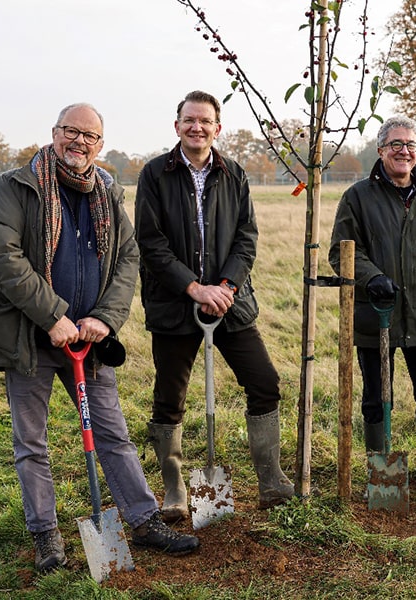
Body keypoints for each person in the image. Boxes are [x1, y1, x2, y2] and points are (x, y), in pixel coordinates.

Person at [0, 103, 200, 573]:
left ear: (100, 144)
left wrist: (106, 319)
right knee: (31, 442)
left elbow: (129, 258)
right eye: (71, 131)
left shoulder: (108, 192)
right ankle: (46, 536)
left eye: (90, 136)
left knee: (113, 434)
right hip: (29, 338)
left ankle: (143, 518)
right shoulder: (16, 186)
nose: (79, 142)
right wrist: (53, 316)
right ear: (54, 133)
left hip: (88, 343)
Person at [135, 90, 294, 519]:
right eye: (189, 120)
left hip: (230, 303)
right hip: (173, 304)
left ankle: (271, 480)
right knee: (170, 398)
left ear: (217, 128)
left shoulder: (235, 174)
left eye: (205, 121)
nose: (197, 127)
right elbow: (150, 243)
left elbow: (247, 237)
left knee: (264, 381)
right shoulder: (154, 175)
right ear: (177, 125)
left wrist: (225, 286)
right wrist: (194, 288)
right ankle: (174, 490)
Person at [328, 115, 416, 505]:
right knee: (377, 397)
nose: (403, 151)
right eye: (395, 145)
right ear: (381, 150)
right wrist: (371, 277)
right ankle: (383, 477)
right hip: (378, 314)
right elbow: (342, 250)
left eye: (410, 145)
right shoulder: (358, 196)